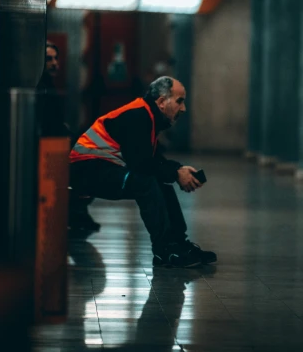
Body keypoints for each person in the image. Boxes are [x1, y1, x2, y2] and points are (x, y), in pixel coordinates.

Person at [68, 76, 216, 268]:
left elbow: (151, 158)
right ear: (162, 102)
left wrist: (178, 170)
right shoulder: (138, 115)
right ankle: (164, 251)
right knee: (144, 181)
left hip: (101, 168)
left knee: (160, 185)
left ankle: (178, 244)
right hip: (88, 172)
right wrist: (176, 173)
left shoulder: (148, 115)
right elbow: (142, 165)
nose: (183, 108)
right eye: (180, 101)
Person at [38, 41, 102, 232]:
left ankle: (77, 212)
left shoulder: (48, 87)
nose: (55, 63)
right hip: (51, 147)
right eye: (49, 59)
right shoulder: (43, 88)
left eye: (56, 58)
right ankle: (77, 213)